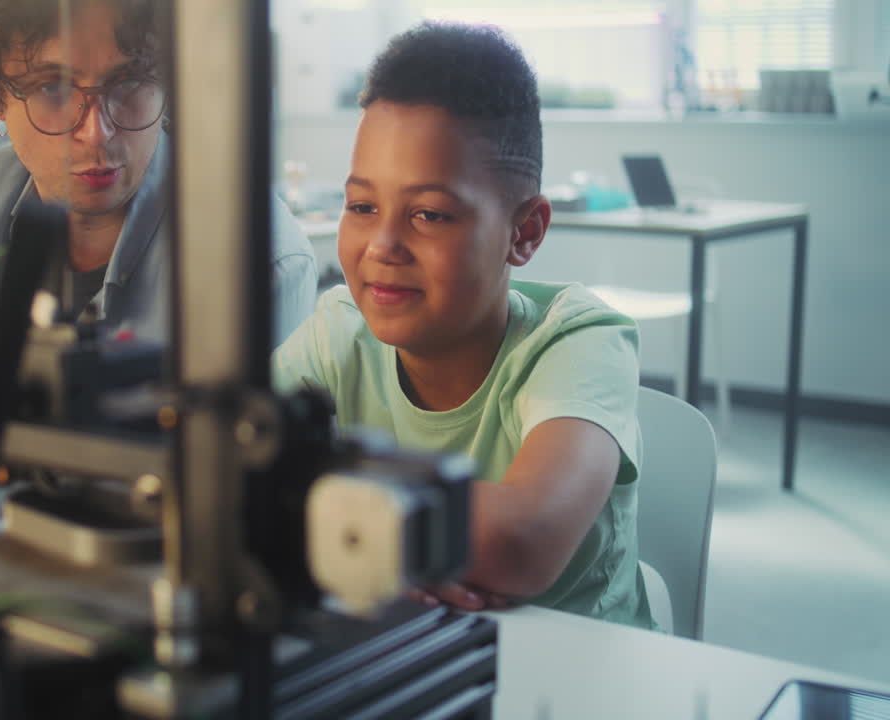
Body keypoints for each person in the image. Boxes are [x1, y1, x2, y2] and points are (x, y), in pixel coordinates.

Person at [272, 22, 656, 629]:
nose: (382, 246)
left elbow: (518, 541)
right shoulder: (336, 332)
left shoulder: (580, 342)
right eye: (363, 207)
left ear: (523, 232)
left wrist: (324, 514)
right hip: (407, 658)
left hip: (576, 674)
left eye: (429, 214)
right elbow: (216, 475)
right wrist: (413, 547)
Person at [0, 0, 318, 379]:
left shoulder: (259, 262)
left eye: (130, 81)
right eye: (52, 87)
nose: (96, 132)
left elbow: (245, 475)